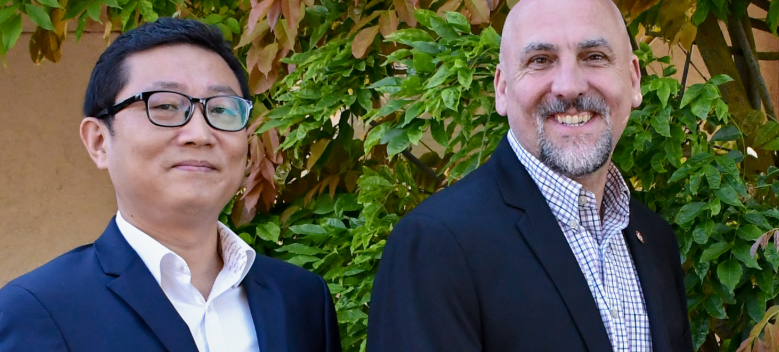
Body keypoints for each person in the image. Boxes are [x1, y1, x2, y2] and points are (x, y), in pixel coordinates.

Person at [365, 0, 691, 350]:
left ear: (633, 79)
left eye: (594, 56)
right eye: (541, 61)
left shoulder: (654, 239)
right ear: (502, 90)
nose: (569, 87)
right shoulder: (436, 246)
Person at [0, 18, 340, 352]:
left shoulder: (302, 299)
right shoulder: (38, 311)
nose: (199, 134)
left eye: (221, 109)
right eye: (165, 106)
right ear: (99, 142)